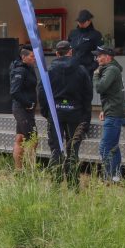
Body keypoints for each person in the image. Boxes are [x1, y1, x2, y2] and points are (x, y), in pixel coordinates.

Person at [36, 40, 93, 185]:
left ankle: (56, 182)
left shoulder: (48, 70)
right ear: (70, 52)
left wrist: (46, 111)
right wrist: (85, 114)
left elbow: (41, 92)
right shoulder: (81, 70)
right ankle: (73, 184)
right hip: (75, 113)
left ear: (56, 53)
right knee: (73, 149)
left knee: (56, 149)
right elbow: (88, 94)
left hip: (55, 113)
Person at [93, 45, 125, 183]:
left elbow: (100, 88)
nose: (97, 58)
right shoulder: (112, 69)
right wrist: (104, 110)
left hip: (113, 113)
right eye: (97, 56)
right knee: (113, 146)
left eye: (100, 55)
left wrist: (95, 75)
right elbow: (112, 93)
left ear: (108, 56)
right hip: (112, 111)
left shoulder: (111, 69)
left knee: (105, 147)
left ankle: (108, 177)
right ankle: (116, 176)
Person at [9, 45, 38, 171]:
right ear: (23, 57)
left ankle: (18, 170)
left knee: (20, 138)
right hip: (22, 110)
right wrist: (28, 103)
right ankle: (31, 170)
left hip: (27, 110)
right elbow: (14, 91)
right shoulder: (20, 71)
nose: (34, 58)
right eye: (32, 56)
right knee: (33, 139)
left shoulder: (29, 68)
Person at [67, 9, 103, 78]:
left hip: (88, 70)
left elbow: (101, 53)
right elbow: (68, 49)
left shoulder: (96, 35)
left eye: (83, 21)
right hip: (73, 69)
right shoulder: (73, 33)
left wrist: (93, 67)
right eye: (79, 21)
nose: (81, 23)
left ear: (89, 21)